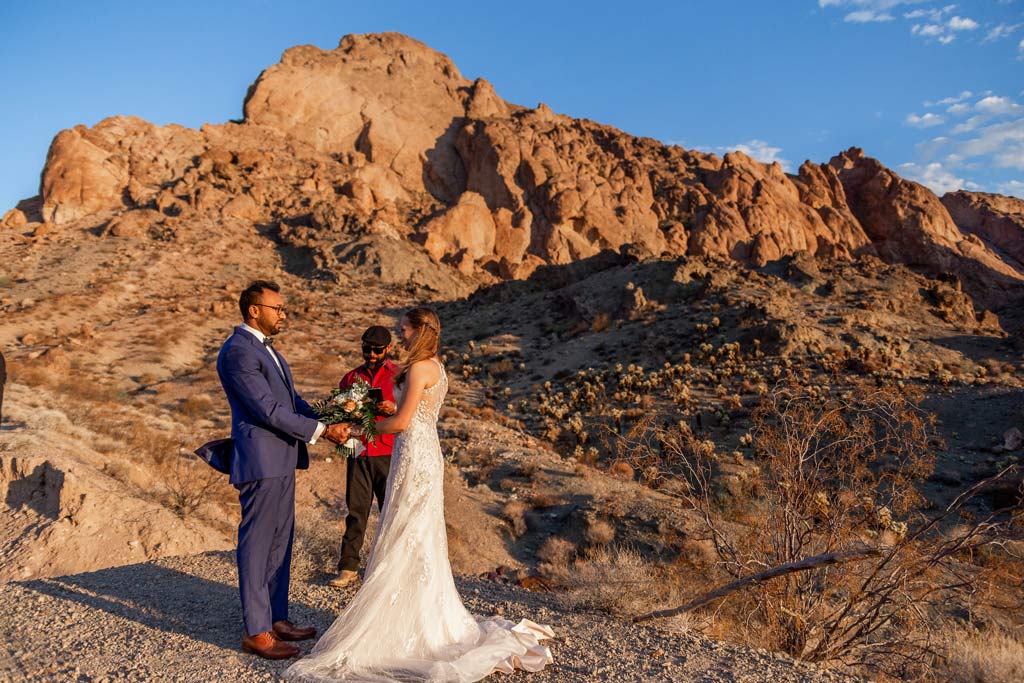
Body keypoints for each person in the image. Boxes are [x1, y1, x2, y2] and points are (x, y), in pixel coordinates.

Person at [285, 308, 552, 683]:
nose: (401, 336)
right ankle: (413, 613)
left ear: (419, 331)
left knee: (406, 530)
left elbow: (401, 422)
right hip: (419, 452)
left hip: (414, 454)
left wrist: (359, 430)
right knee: (413, 532)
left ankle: (402, 620)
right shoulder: (434, 367)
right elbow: (411, 411)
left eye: (403, 330)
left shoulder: (420, 368)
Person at [212, 280, 350, 660]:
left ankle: (276, 617)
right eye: (278, 308)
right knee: (257, 546)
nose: (283, 314)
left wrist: (330, 416)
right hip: (260, 459)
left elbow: (291, 401)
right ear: (254, 310)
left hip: (281, 459)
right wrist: (322, 432)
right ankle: (256, 631)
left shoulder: (265, 350)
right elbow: (267, 411)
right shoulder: (239, 352)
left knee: (279, 541)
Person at [329, 325, 399, 588]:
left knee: (389, 512)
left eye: (377, 350)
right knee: (356, 511)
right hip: (358, 451)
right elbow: (338, 414)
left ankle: (388, 569)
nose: (371, 354)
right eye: (366, 349)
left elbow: (409, 412)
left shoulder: (399, 377)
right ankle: (348, 568)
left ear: (388, 349)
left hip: (388, 451)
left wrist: (392, 408)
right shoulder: (349, 379)